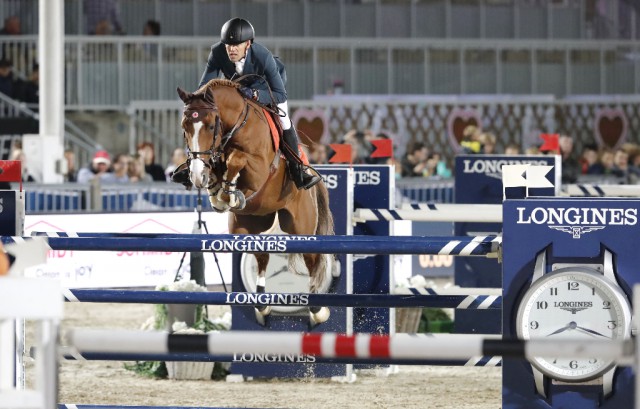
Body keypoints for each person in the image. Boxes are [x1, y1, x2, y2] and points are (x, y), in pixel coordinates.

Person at [197, 17, 320, 190]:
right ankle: (193, 163)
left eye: (236, 45)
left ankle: (298, 169)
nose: (231, 49)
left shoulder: (263, 56)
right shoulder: (217, 52)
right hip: (237, 87)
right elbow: (205, 86)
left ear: (247, 44)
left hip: (266, 88)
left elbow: (280, 95)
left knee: (284, 122)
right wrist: (195, 103)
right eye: (228, 45)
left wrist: (255, 94)